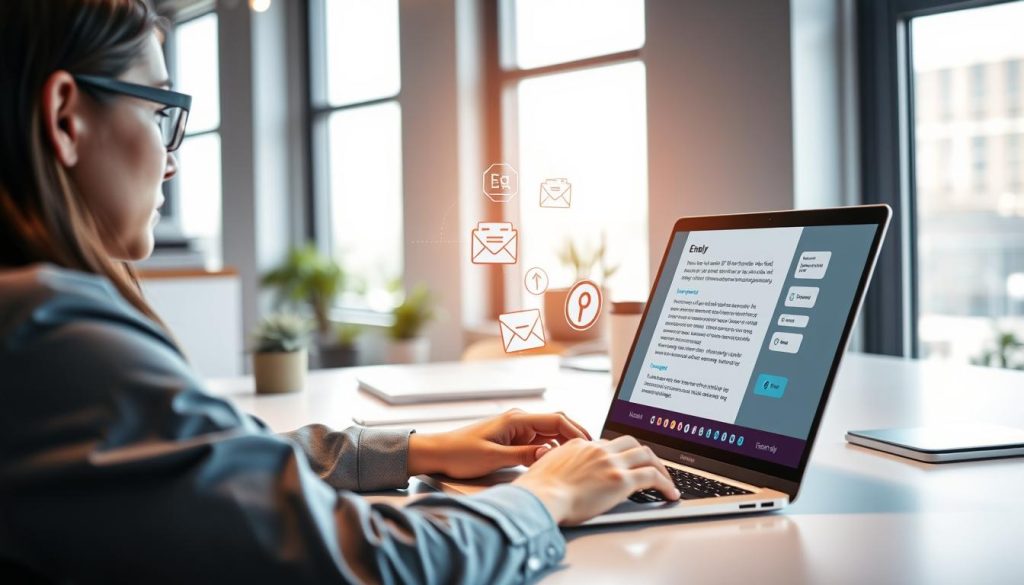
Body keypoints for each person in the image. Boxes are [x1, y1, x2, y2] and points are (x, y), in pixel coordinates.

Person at [0, 1, 680, 583]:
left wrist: (425, 448)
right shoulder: (51, 331)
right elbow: (369, 561)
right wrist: (548, 493)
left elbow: (211, 466)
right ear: (65, 116)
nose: (174, 157)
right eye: (160, 111)